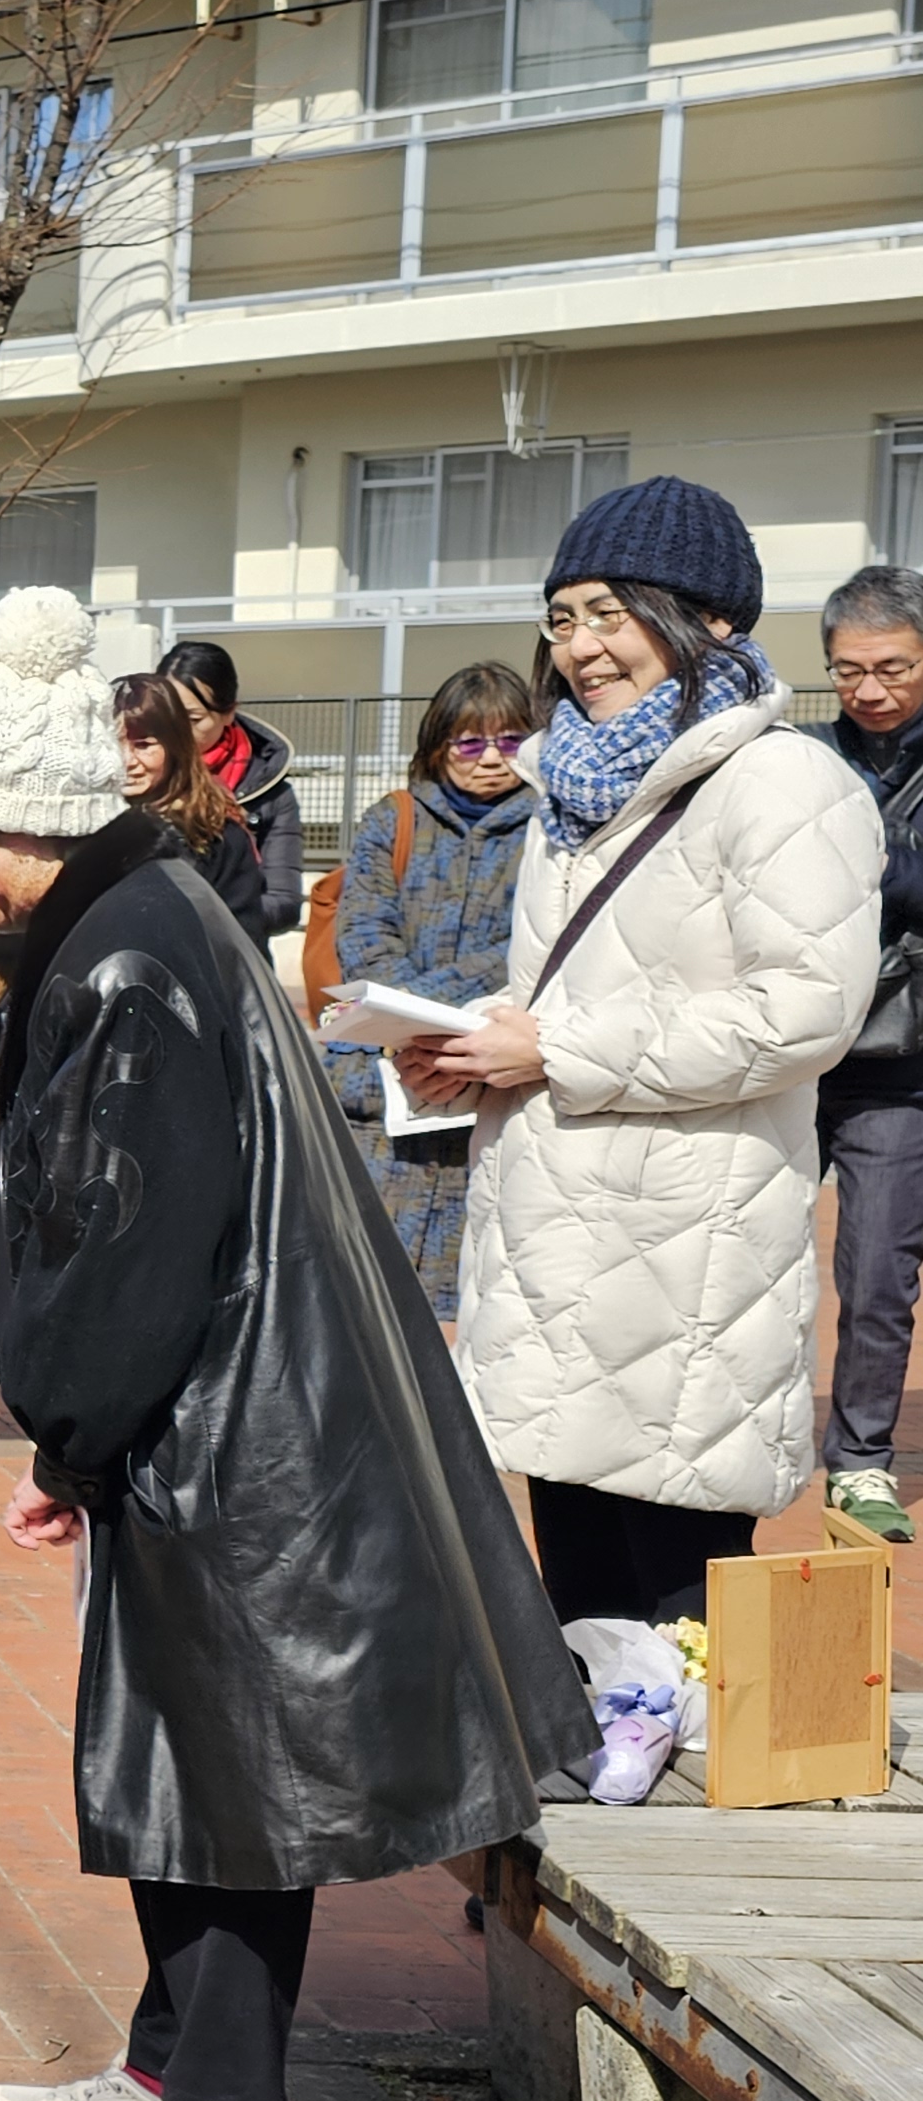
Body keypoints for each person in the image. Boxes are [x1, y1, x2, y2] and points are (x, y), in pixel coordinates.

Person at [0, 575, 591, 2101]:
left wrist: (70, 1428)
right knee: (180, 1768)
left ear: (26, 819)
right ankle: (158, 2074)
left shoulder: (129, 965)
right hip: (219, 1426)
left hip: (239, 1443)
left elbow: (127, 1253)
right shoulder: (146, 914)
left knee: (228, 1786)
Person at [410, 477, 880, 1625]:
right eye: (562, 617)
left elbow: (805, 1007)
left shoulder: (784, 781)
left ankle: (686, 1788)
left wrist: (555, 1049)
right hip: (552, 1227)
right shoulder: (565, 786)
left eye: (611, 613)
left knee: (674, 1585)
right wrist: (474, 1047)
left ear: (708, 618)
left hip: (686, 1239)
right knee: (572, 1575)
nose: (579, 647)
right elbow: (572, 985)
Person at [317, 662, 539, 1321]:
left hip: (489, 1074)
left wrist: (436, 1017)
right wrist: (411, 1016)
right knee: (361, 1296)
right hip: (383, 1080)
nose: (490, 759)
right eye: (469, 742)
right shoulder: (395, 818)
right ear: (438, 745)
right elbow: (362, 934)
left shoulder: (553, 827)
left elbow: (529, 949)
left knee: (481, 1304)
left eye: (510, 740)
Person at [818, 567, 923, 1541]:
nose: (870, 690)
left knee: (879, 1269)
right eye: (848, 671)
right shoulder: (803, 758)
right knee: (735, 1245)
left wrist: (875, 867)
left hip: (898, 1066)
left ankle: (857, 1462)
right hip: (785, 1045)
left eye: (892, 667)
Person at [157, 638, 305, 939]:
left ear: (229, 712)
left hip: (233, 959)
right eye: (168, 716)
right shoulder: (140, 776)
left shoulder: (271, 793)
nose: (178, 731)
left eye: (194, 719)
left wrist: (199, 917)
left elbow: (284, 902)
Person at [113, 672, 267, 937]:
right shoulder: (73, 831)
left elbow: (243, 944)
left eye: (144, 745)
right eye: (113, 743)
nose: (127, 760)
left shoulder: (218, 835)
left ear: (175, 746)